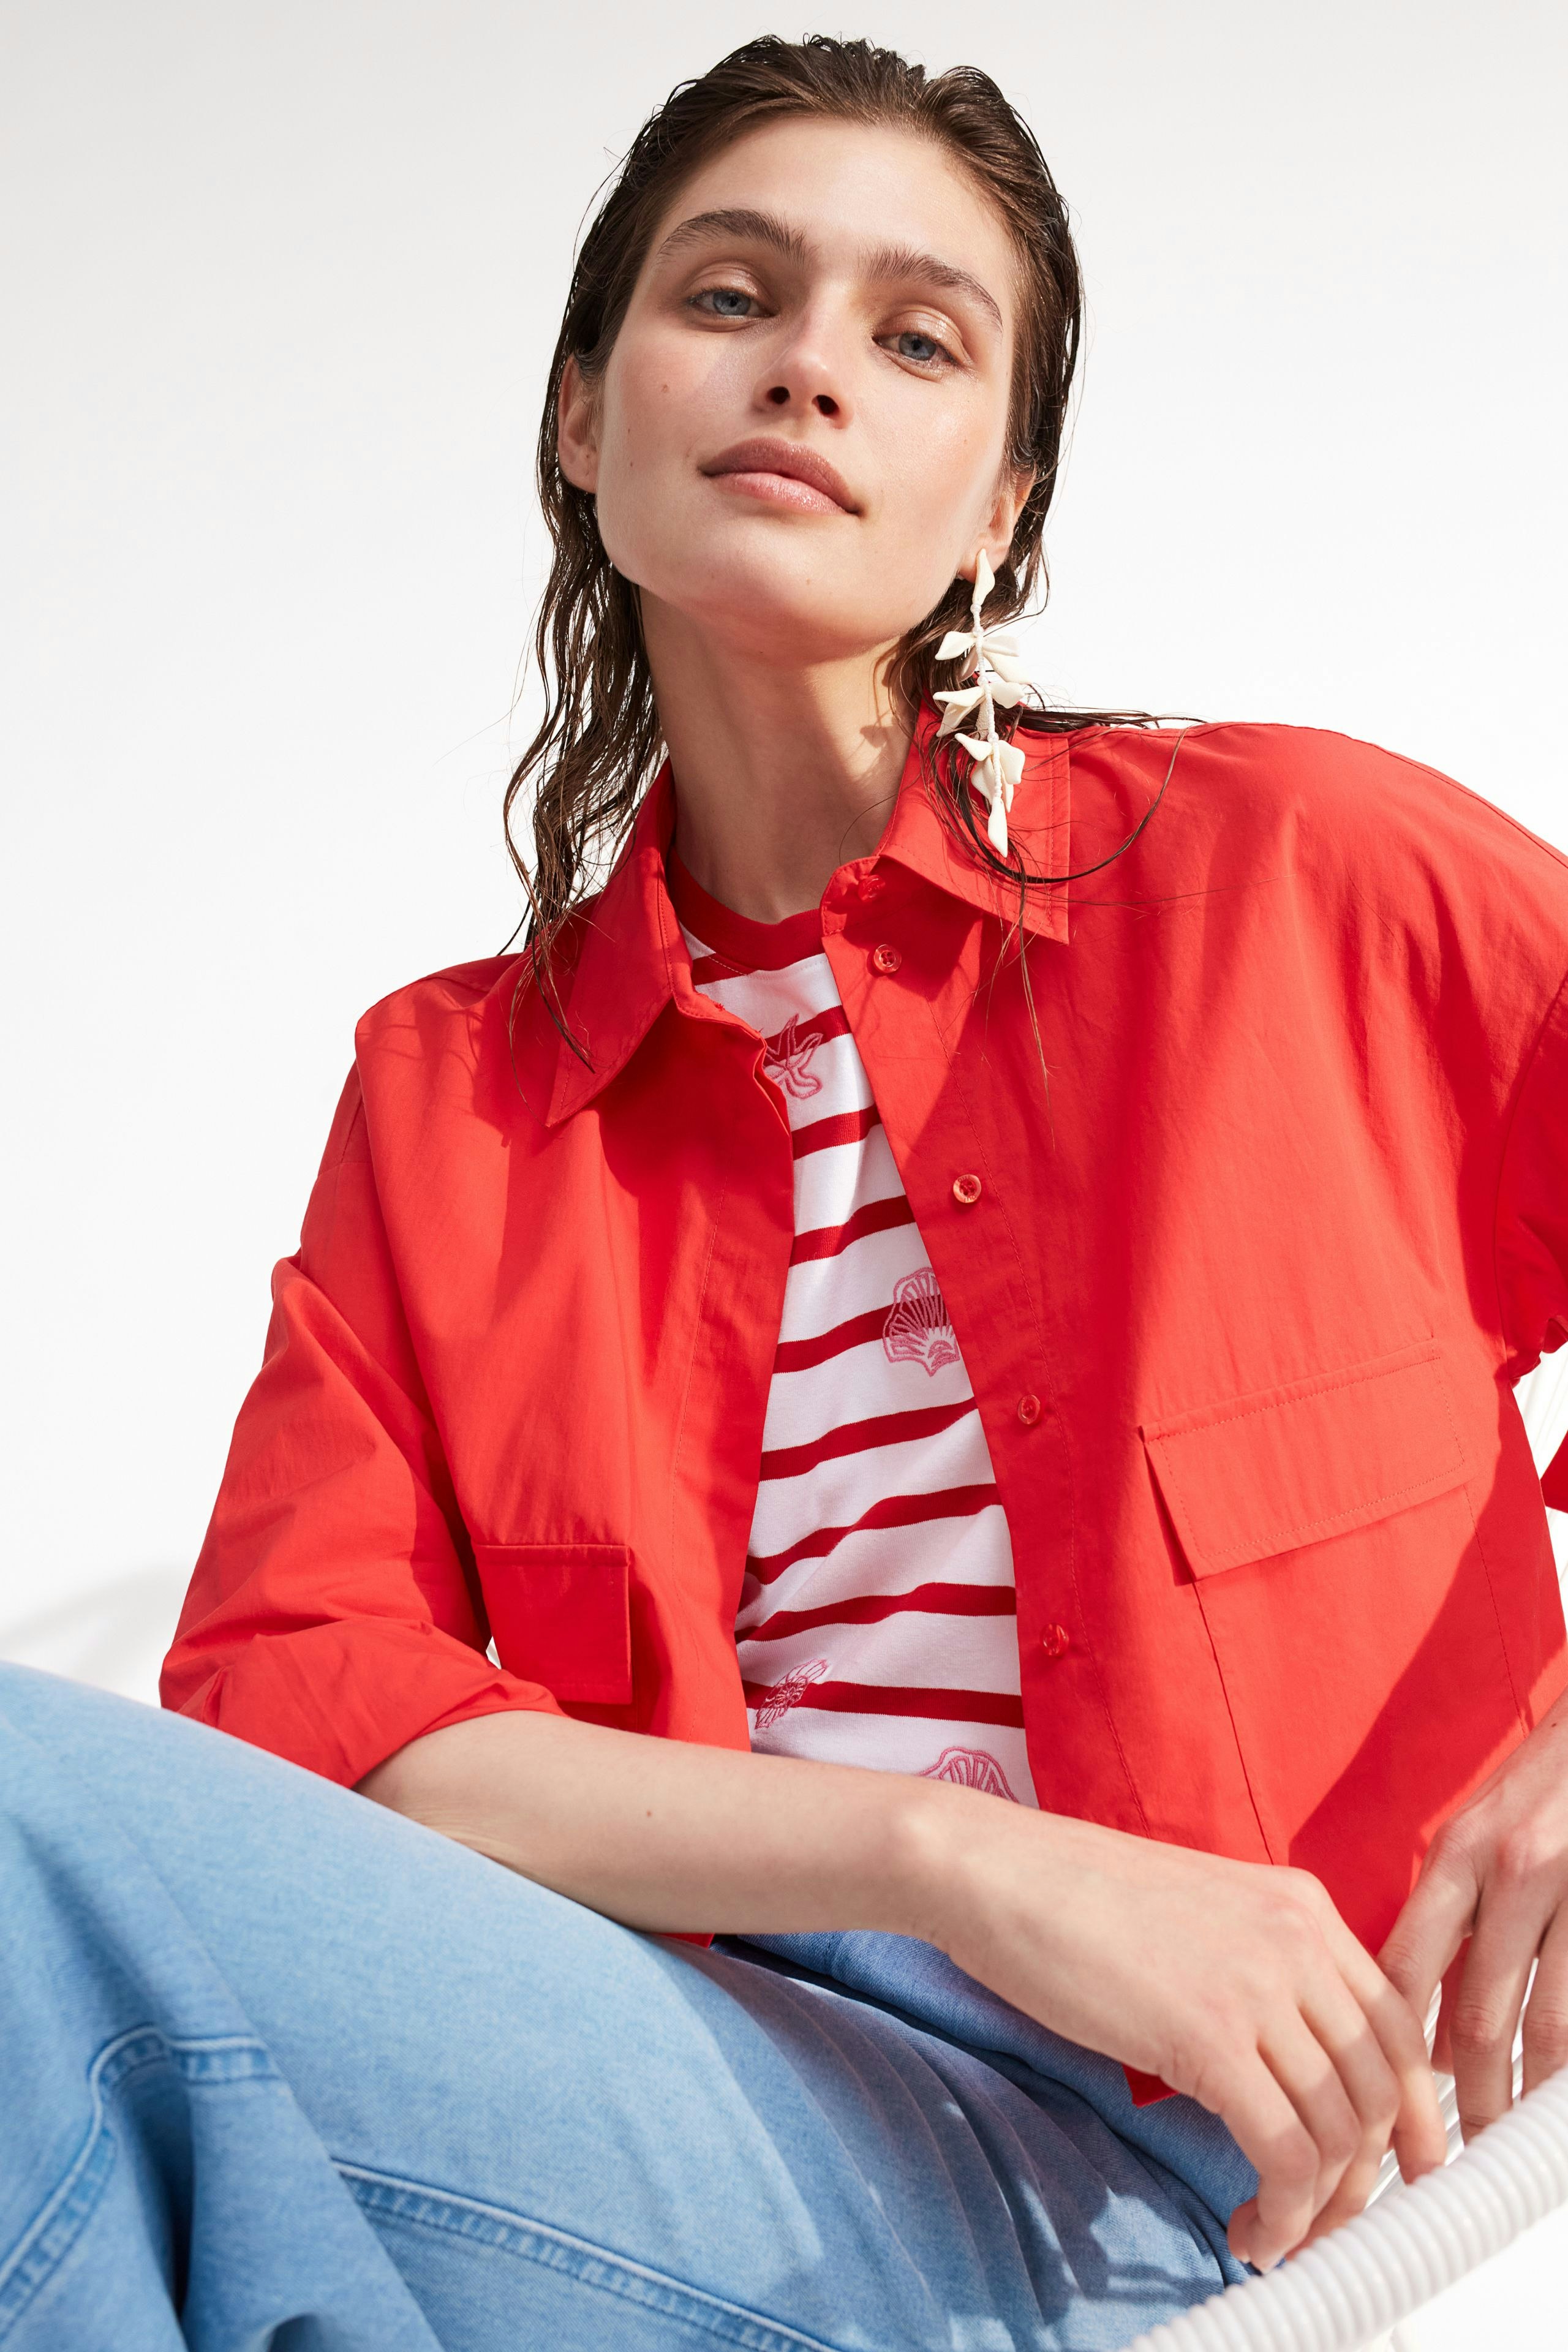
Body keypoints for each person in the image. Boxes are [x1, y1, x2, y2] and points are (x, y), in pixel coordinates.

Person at [6, 32, 1567, 2352]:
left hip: (1170, 2194)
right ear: (584, 417)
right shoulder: (452, 1102)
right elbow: (310, 1711)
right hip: (688, 2075)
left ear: (1002, 504)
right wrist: (958, 1861)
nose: (810, 367)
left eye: (918, 339)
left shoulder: (1293, 882)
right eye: (728, 296)